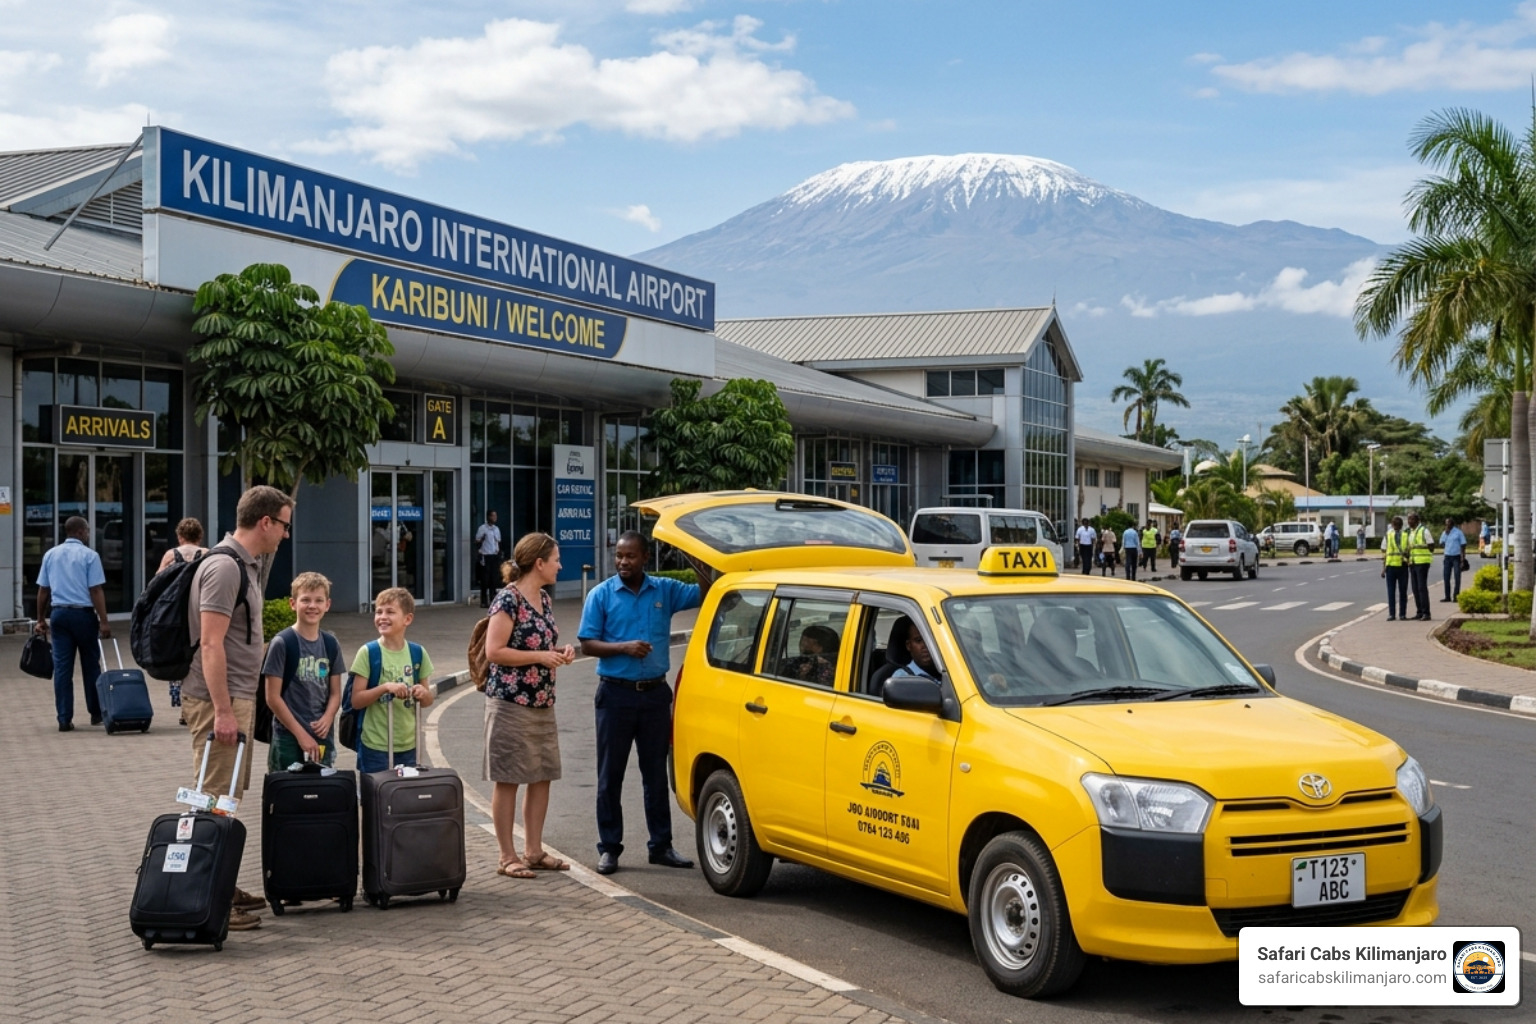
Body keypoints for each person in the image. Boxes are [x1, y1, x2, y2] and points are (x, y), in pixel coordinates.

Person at [180, 485, 294, 930]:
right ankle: (207, 895)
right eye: (283, 525)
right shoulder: (226, 569)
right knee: (210, 797)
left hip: (235, 698)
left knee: (225, 796)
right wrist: (225, 712)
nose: (285, 534)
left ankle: (220, 882)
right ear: (265, 522)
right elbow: (211, 644)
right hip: (218, 702)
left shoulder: (242, 565)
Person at [578, 531, 709, 875]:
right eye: (619, 556)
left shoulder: (664, 590)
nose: (623, 562)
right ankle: (609, 848)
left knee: (655, 774)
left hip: (655, 695)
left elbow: (706, 591)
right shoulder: (601, 595)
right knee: (611, 777)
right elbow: (587, 643)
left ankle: (661, 846)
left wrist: (695, 551)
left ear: (645, 558)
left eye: (630, 556)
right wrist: (623, 647)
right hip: (615, 695)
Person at [484, 533, 575, 879]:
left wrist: (560, 653)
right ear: (539, 563)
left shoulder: (544, 600)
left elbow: (545, 643)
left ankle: (533, 851)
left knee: (542, 776)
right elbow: (495, 651)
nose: (560, 565)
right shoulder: (508, 600)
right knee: (508, 778)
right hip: (510, 703)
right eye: (556, 559)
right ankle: (507, 856)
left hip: (541, 702)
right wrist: (540, 656)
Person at [262, 572, 345, 772]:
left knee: (320, 792)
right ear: (293, 603)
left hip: (322, 733)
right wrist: (301, 734)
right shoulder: (282, 643)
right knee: (288, 793)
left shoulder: (331, 644)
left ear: (327, 604)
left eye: (318, 600)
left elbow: (335, 692)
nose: (312, 606)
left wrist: (327, 718)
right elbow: (272, 697)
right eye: (305, 600)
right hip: (288, 735)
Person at [34, 516, 110, 732]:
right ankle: (96, 713)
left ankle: (64, 718)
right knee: (90, 665)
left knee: (62, 669)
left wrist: (40, 618)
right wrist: (104, 621)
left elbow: (43, 590)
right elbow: (96, 590)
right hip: (83, 615)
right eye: (86, 531)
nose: (87, 535)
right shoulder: (90, 556)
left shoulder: (51, 555)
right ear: (80, 532)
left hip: (59, 615)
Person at [348, 587, 435, 773]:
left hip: (409, 745)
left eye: (390, 612)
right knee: (375, 797)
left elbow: (427, 700)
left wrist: (423, 693)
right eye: (379, 611)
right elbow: (356, 700)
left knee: (405, 798)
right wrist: (385, 687)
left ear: (407, 619)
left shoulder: (418, 653)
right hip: (375, 744)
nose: (382, 617)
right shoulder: (368, 652)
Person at [157, 517, 208, 723]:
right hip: (200, 613)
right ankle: (198, 705)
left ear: (179, 537)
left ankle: (184, 707)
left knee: (180, 660)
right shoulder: (207, 554)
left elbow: (157, 581)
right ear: (200, 536)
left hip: (176, 616)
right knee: (199, 659)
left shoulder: (171, 555)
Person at [1405, 512, 1435, 620]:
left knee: (1422, 588)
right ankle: (1419, 611)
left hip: (1422, 562)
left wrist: (1422, 550)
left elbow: (1431, 546)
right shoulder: (1411, 532)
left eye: (1412, 519)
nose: (1409, 522)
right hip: (1413, 562)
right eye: (1409, 519)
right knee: (1415, 588)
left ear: (1417, 520)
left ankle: (1426, 613)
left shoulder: (1424, 530)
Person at [474, 509, 504, 609]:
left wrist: (499, 552)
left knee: (493, 579)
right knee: (485, 579)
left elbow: (498, 542)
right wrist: (482, 539)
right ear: (488, 517)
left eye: (495, 516)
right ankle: (483, 601)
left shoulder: (496, 529)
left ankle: (493, 600)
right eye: (493, 516)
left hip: (494, 556)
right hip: (485, 556)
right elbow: (477, 542)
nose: (495, 518)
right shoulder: (482, 528)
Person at [1382, 516, 1408, 622]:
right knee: (1401, 592)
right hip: (1398, 566)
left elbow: (1384, 551)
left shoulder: (1389, 535)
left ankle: (1394, 614)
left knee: (1393, 592)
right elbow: (1384, 552)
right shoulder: (1404, 535)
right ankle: (1400, 614)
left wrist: (1383, 568)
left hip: (1394, 566)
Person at [1439, 518, 1467, 603]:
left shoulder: (1458, 532)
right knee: (1446, 577)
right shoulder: (1444, 533)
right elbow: (1441, 543)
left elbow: (1463, 545)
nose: (1447, 525)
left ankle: (1456, 596)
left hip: (1456, 557)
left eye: (1448, 524)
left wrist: (1462, 560)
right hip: (1447, 557)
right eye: (1446, 524)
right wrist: (1446, 537)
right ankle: (1447, 596)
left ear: (1452, 524)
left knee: (1457, 577)